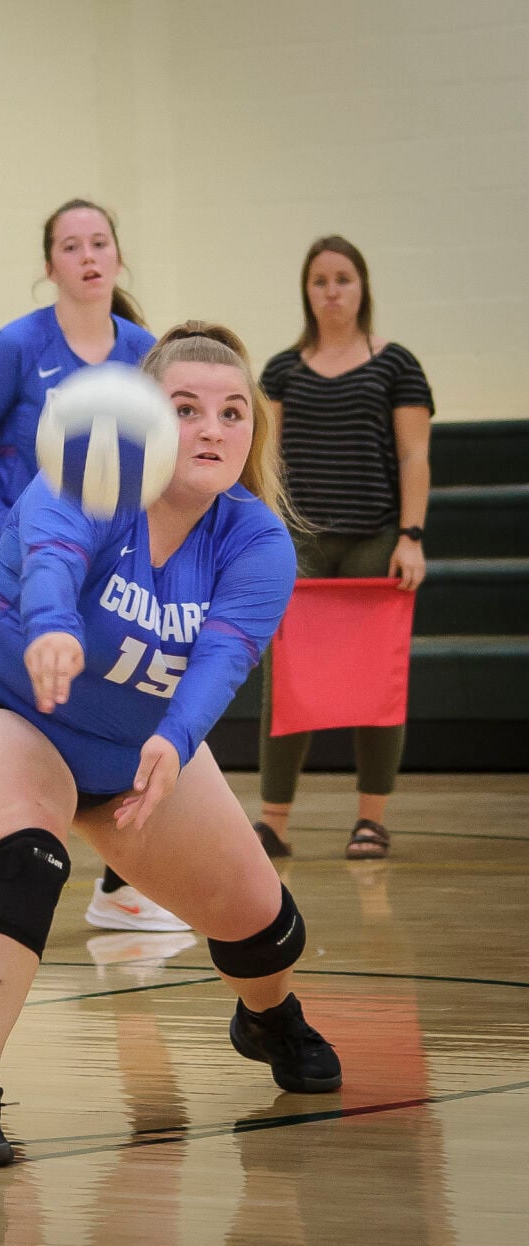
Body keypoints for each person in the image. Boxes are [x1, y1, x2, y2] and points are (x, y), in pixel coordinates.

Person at [0, 322, 342, 1170]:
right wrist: (54, 632)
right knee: (29, 857)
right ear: (141, 418)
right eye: (185, 408)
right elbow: (52, 563)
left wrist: (177, 741)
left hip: (135, 743)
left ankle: (268, 1019)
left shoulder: (256, 541)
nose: (212, 428)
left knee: (257, 919)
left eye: (231, 412)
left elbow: (224, 658)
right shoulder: (84, 482)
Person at [0, 198, 184, 965]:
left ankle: (118, 886)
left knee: (122, 700)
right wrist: (17, 522)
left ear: (117, 258)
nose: (87, 257)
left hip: (98, 569)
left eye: (99, 243)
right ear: (48, 265)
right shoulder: (14, 348)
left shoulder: (144, 352)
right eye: (69, 246)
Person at [254, 236, 434, 862]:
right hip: (300, 546)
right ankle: (273, 823)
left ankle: (371, 820)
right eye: (320, 281)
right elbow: (266, 459)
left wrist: (410, 538)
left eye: (343, 279)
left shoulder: (397, 364)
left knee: (375, 680)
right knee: (287, 681)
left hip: (375, 541)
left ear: (363, 287)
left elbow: (414, 455)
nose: (332, 291)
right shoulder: (280, 370)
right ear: (306, 292)